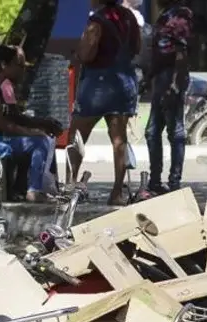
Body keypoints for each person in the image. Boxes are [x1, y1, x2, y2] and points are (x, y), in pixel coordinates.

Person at [68, 0, 142, 206]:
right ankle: (117, 192)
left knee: (77, 136)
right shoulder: (129, 18)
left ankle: (70, 185)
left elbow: (86, 54)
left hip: (98, 84)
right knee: (119, 139)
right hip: (125, 82)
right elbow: (137, 48)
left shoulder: (96, 22)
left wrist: (78, 53)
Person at [0, 45, 59, 202]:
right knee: (38, 142)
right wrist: (30, 132)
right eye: (19, 65)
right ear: (4, 64)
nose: (23, 70)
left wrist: (38, 125)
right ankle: (32, 191)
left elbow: (14, 116)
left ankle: (26, 189)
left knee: (36, 142)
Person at [142, 0, 194, 194]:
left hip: (171, 77)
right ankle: (155, 180)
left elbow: (181, 54)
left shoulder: (179, 17)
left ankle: (174, 181)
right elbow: (158, 53)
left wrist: (174, 84)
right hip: (160, 78)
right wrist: (148, 78)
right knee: (153, 132)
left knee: (174, 131)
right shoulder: (165, 16)